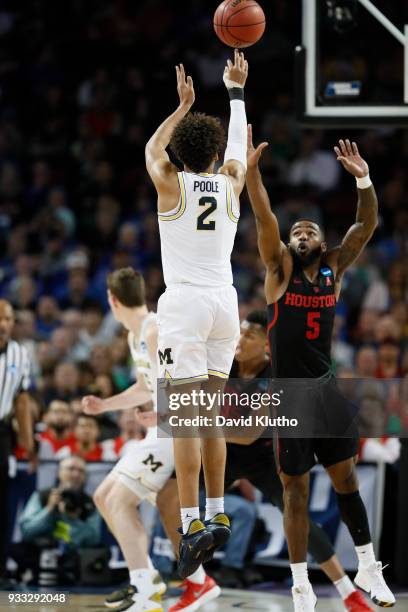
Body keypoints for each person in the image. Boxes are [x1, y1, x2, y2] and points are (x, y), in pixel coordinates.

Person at [246, 129, 395, 610]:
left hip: (327, 389)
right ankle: (300, 584)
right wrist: (251, 175)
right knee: (295, 489)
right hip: (288, 394)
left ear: (322, 240)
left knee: (346, 479)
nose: (302, 233)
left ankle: (369, 566)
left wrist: (365, 180)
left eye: (309, 229)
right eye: (297, 232)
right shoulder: (279, 269)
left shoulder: (335, 265)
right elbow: (266, 218)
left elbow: (364, 226)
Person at [165, 311, 372, 611]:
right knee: (172, 495)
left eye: (250, 335)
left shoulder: (275, 375)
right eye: (241, 332)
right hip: (224, 452)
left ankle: (348, 592)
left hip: (264, 455)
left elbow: (249, 433)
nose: (240, 339)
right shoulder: (225, 364)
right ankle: (196, 582)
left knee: (300, 520)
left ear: (266, 344)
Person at [145, 49, 248, 579]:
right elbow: (239, 149)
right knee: (210, 416)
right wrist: (235, 93)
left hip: (184, 304)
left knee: (185, 417)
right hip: (225, 304)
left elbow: (151, 148)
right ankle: (218, 511)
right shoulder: (232, 184)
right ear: (212, 156)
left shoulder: (171, 184)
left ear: (182, 155)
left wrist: (181, 107)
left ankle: (190, 525)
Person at [82, 268, 178, 612]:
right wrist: (105, 404)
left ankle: (145, 587)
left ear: (112, 300)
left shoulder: (154, 331)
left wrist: (162, 416)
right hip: (160, 427)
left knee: (119, 501)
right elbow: (144, 387)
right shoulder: (134, 335)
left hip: (175, 429)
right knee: (103, 496)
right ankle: (147, 578)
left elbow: (179, 386)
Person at [16, 456, 100, 584]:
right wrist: (49, 510)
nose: (76, 474)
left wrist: (73, 520)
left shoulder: (89, 504)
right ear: (59, 472)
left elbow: (94, 540)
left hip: (73, 561)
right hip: (38, 556)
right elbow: (26, 531)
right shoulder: (43, 496)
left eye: (81, 471)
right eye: (71, 469)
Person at [0, 299, 34, 584]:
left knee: (3, 508)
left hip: (2, 434)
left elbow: (22, 402)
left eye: (8, 319)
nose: (3, 324)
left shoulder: (20, 354)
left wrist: (29, 445)